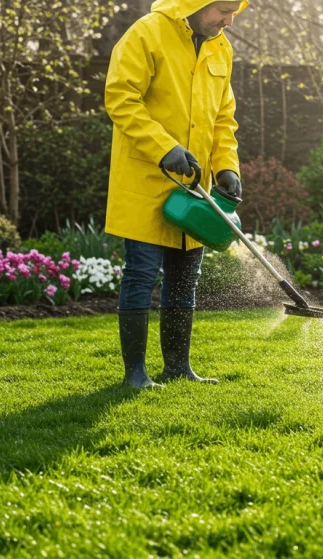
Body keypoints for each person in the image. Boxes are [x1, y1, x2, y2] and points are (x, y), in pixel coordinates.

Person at [104, 0, 248, 389]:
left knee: (186, 278)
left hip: (194, 187)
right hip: (146, 179)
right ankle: (135, 373)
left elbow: (223, 118)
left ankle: (178, 368)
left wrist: (227, 166)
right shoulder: (147, 33)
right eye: (223, 10)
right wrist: (163, 147)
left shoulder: (221, 47)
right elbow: (120, 97)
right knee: (141, 274)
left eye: (235, 11)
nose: (229, 20)